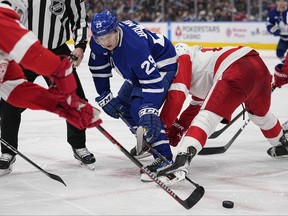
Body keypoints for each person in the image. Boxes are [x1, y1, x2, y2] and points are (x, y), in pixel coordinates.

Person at [156, 43, 288, 184]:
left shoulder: (180, 59)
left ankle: (182, 159)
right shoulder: (197, 63)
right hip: (258, 67)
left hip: (236, 68)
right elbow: (195, 104)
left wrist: (162, 129)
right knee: (260, 115)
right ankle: (281, 143)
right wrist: (179, 126)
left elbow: (178, 94)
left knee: (206, 118)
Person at [0, 0, 102, 176]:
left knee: (75, 96)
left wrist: (79, 46)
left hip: (56, 49)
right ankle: (8, 150)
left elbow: (80, 20)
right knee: (9, 104)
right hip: (23, 51)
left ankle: (78, 145)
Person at [88, 11, 178, 182]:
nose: (105, 42)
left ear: (116, 30)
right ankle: (148, 141)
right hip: (139, 73)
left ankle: (165, 159)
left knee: (140, 111)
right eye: (100, 38)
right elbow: (99, 71)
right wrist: (105, 94)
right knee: (122, 107)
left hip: (161, 66)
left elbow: (152, 81)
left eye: (108, 36)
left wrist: (149, 110)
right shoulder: (98, 42)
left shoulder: (134, 48)